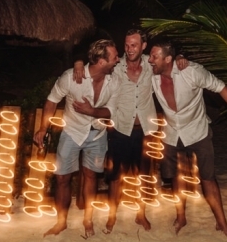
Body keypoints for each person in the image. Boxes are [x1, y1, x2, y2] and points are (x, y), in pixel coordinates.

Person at [71, 29, 189, 233]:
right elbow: (94, 62)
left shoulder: (152, 64)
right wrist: (78, 61)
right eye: (126, 45)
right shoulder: (115, 66)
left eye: (134, 45)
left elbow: (168, 62)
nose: (129, 49)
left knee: (144, 175)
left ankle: (140, 215)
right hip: (119, 129)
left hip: (146, 130)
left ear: (143, 46)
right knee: (115, 176)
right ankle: (112, 216)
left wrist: (179, 57)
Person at [147, 40, 227, 238]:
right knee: (176, 178)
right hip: (171, 133)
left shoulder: (192, 71)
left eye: (154, 57)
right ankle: (181, 217)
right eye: (150, 56)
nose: (150, 60)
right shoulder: (152, 73)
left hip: (197, 131)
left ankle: (222, 223)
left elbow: (220, 87)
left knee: (208, 178)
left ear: (167, 59)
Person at [33, 39, 121, 238]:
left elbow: (110, 111)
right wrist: (43, 128)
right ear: (101, 61)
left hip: (98, 135)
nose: (118, 60)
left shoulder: (114, 81)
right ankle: (61, 222)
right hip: (72, 132)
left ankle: (87, 220)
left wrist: (92, 111)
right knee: (62, 178)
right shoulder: (71, 78)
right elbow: (51, 100)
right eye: (114, 57)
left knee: (91, 177)